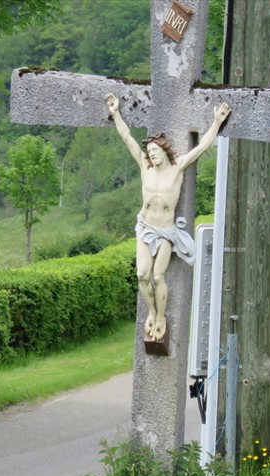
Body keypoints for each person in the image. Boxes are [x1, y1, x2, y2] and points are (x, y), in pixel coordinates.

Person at [106, 93, 231, 341]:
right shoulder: (144, 166)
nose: (151, 155)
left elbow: (203, 146)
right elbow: (127, 138)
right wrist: (116, 112)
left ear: (165, 152)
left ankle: (161, 316)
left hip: (164, 231)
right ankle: (151, 313)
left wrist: (216, 122)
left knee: (157, 275)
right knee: (142, 274)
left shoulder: (178, 167)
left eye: (155, 151)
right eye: (149, 151)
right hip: (145, 227)